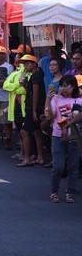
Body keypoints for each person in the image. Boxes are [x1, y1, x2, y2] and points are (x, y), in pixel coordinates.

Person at [45, 75, 80, 203]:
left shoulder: (79, 100)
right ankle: (54, 191)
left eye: (66, 85)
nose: (63, 88)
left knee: (73, 166)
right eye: (61, 85)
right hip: (57, 135)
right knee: (58, 166)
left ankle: (69, 192)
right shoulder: (56, 98)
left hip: (74, 137)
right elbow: (51, 116)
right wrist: (49, 100)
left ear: (73, 86)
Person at [17, 54, 46, 167]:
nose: (25, 65)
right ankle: (40, 157)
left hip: (34, 107)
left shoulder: (36, 75)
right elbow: (29, 91)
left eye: (28, 63)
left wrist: (33, 111)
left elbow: (36, 94)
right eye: (24, 63)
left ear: (34, 64)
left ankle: (27, 158)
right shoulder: (32, 75)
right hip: (34, 106)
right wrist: (24, 83)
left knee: (23, 131)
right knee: (36, 131)